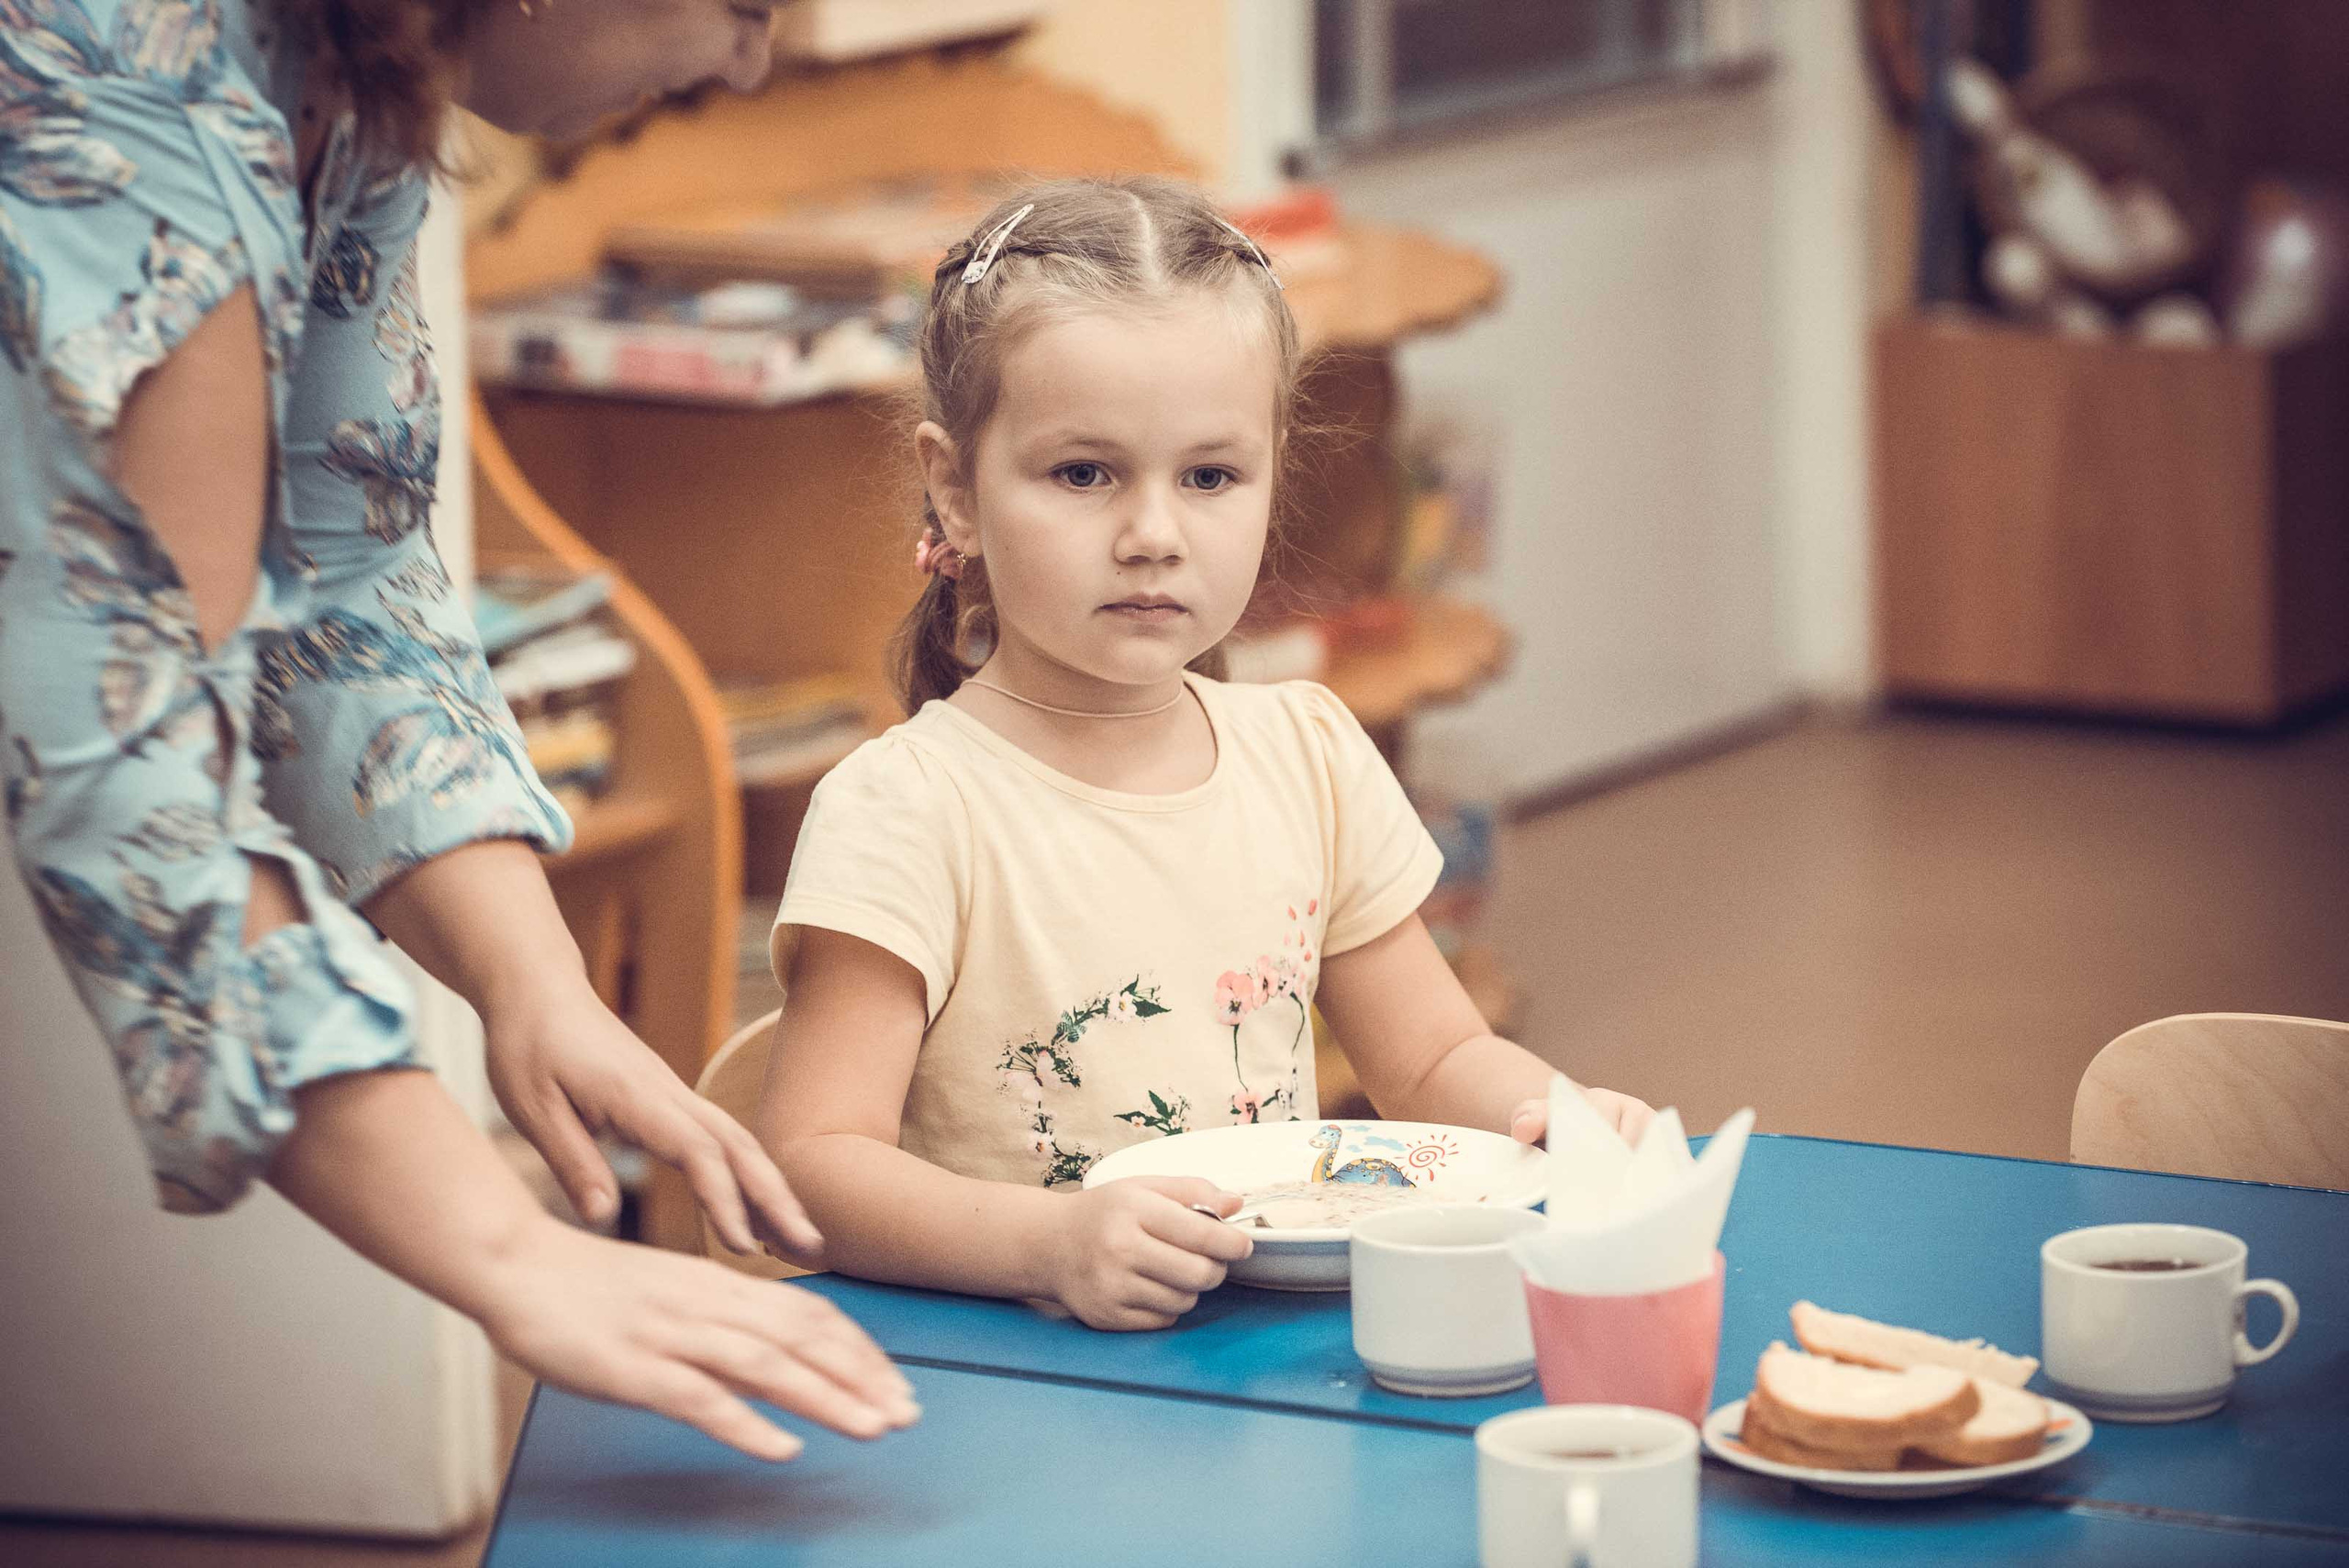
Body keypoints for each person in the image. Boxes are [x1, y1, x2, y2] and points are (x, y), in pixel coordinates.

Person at [0, 0, 917, 1461]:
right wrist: (503, 1249)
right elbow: (128, 766)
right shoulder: (130, 78)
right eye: (747, 7)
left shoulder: (361, 90)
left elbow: (345, 574)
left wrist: (534, 982)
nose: (749, 65)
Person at [754, 177, 1655, 1333]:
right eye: (1083, 474)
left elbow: (1433, 1058)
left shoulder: (1307, 752)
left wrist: (1558, 1116)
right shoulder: (906, 808)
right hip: (1017, 1374)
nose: (1153, 535)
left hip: (1254, 1362)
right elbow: (812, 1166)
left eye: (1210, 477)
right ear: (955, 491)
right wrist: (1046, 1244)